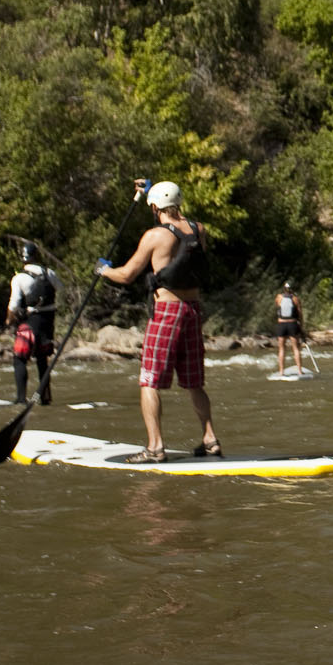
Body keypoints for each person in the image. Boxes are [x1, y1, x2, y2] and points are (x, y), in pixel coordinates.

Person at [98, 179, 221, 462]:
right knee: (194, 382)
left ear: (154, 207)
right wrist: (150, 190)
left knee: (149, 381)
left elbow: (127, 275)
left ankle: (155, 447)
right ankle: (210, 438)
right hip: (193, 310)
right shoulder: (198, 230)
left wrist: (104, 270)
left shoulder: (154, 236)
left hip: (167, 312)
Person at [5, 242, 64, 406]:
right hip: (47, 324)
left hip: (29, 324)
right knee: (42, 360)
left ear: (23, 259)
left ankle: (20, 399)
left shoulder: (19, 278)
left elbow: (14, 305)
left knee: (20, 359)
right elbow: (61, 289)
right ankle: (45, 398)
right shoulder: (49, 273)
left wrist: (9, 320)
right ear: (36, 257)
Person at [274, 282, 307, 377]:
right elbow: (300, 314)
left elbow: (277, 307)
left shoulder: (279, 297)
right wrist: (301, 325)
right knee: (296, 348)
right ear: (292, 289)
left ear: (284, 289)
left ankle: (281, 372)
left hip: (281, 324)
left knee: (281, 349)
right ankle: (300, 371)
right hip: (292, 324)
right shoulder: (296, 299)